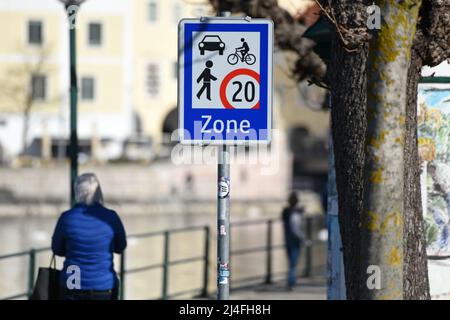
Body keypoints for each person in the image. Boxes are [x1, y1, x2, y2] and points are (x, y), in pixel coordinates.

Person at [51, 173, 127, 300]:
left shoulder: (67, 218)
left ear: (77, 192)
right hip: (103, 287)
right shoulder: (111, 217)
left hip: (72, 284)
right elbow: (121, 247)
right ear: (98, 192)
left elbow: (57, 249)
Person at [281, 191, 304, 290]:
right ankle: (291, 282)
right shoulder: (295, 213)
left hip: (287, 239)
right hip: (295, 241)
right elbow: (295, 229)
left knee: (290, 262)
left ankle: (291, 281)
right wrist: (303, 238)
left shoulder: (285, 212)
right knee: (293, 264)